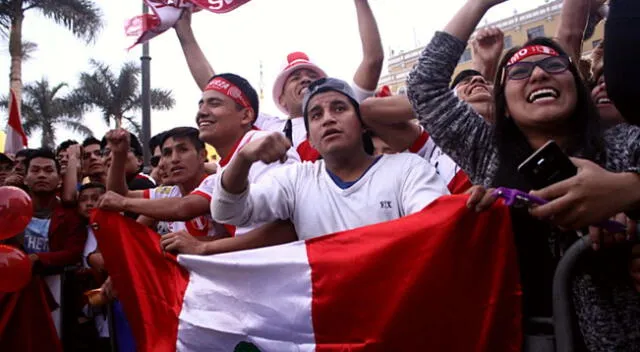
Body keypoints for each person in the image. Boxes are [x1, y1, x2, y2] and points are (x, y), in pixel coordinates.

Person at [406, 0, 640, 349]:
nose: (538, 74)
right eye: (518, 71)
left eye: (552, 64)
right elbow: (424, 86)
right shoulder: (487, 152)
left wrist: (628, 193)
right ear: (506, 107)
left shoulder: (625, 143)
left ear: (578, 86)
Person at [210, 77, 449, 241]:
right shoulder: (296, 181)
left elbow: (437, 225)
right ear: (310, 139)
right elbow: (228, 213)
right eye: (316, 115)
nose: (327, 119)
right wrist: (242, 159)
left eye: (339, 108)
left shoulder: (408, 168)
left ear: (362, 124)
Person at [173, 0, 384, 161]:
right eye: (295, 78)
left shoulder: (345, 111)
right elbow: (216, 89)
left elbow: (373, 61)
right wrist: (184, 31)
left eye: (313, 77)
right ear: (281, 99)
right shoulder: (268, 128)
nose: (306, 81)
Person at [99, 73, 300, 238]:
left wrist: (203, 248)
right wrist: (119, 155)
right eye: (200, 105)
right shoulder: (222, 172)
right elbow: (180, 206)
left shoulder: (263, 146)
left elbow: (286, 229)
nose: (202, 112)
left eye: (214, 103)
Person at [102, 126, 229, 238]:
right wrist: (119, 154)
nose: (174, 159)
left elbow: (182, 208)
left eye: (183, 150)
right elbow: (118, 194)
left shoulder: (218, 183)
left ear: (202, 155)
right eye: (167, 153)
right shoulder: (168, 193)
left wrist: (124, 203)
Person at [101, 131, 155, 218]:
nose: (112, 155)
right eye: (106, 152)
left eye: (123, 150)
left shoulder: (142, 184)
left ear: (139, 160)